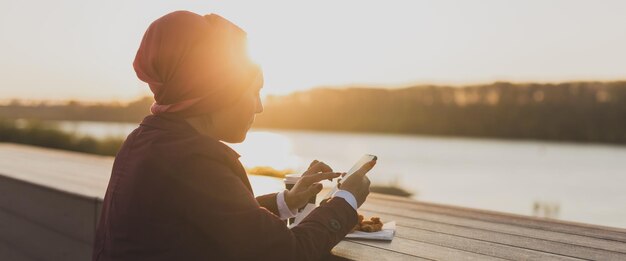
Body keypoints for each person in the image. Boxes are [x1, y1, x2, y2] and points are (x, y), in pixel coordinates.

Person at [93, 10, 376, 261]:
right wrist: (345, 200)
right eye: (253, 91)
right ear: (217, 93)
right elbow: (287, 254)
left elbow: (213, 219)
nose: (259, 106)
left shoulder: (147, 141)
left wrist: (287, 201)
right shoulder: (194, 162)